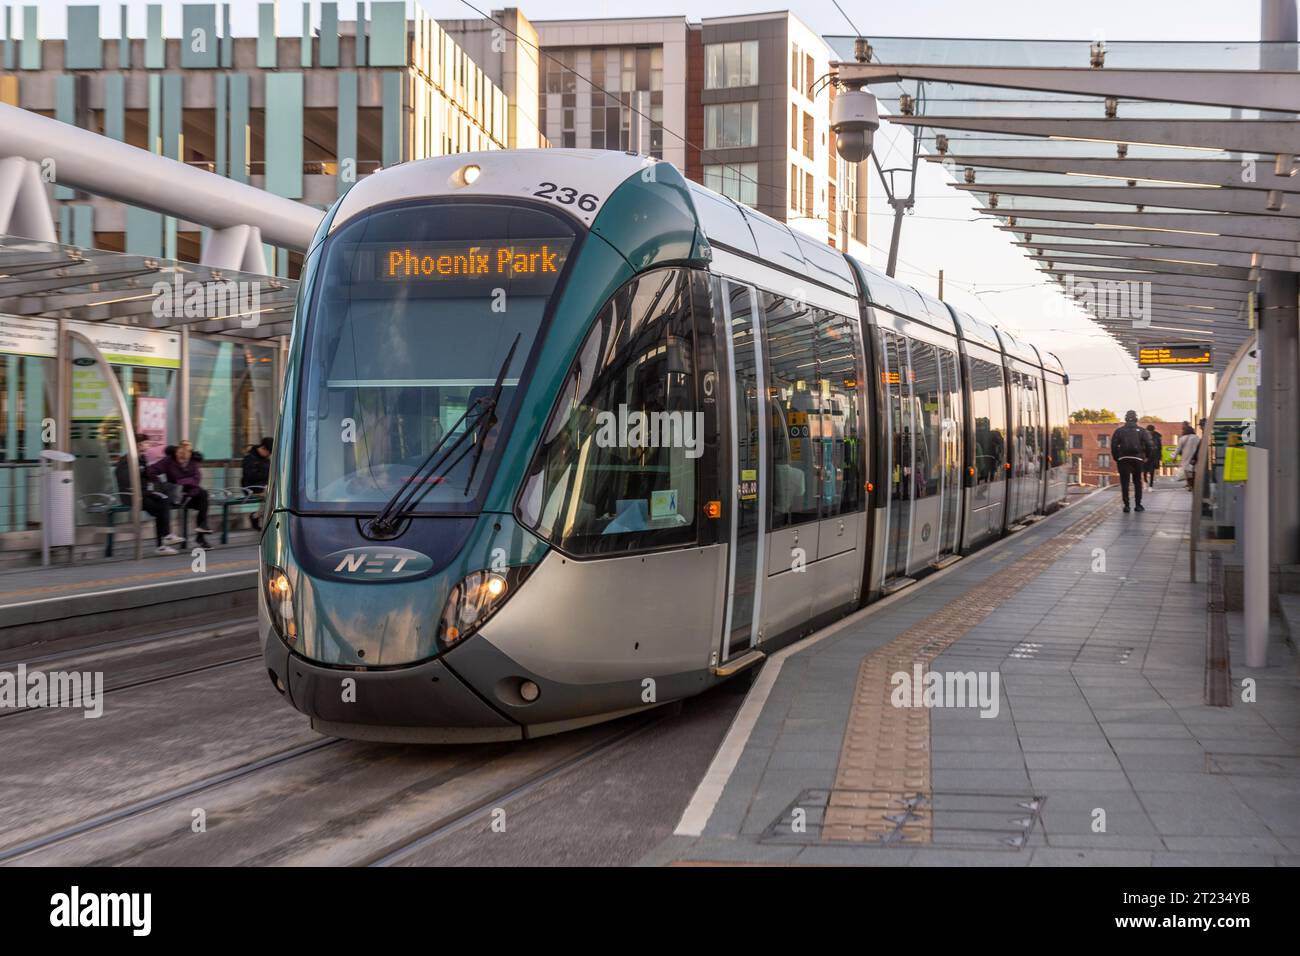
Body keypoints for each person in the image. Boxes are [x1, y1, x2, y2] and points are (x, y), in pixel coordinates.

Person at [114, 434, 184, 555]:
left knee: (163, 500)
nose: (148, 446)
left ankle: (163, 542)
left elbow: (148, 476)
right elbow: (125, 479)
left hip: (143, 494)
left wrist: (156, 480)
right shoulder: (127, 460)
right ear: (138, 444)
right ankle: (164, 540)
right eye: (146, 443)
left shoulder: (142, 459)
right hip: (131, 496)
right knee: (161, 508)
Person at [147, 440, 213, 537]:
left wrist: (181, 482)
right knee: (163, 504)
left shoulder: (193, 462)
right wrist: (161, 481)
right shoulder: (168, 461)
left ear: (190, 454)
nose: (183, 458)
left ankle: (202, 528)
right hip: (174, 495)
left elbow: (196, 479)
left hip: (189, 495)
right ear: (177, 451)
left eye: (186, 455)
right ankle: (166, 539)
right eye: (180, 454)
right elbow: (151, 470)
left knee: (203, 494)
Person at [1111, 410, 1156, 513]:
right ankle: (1138, 505)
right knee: (1137, 482)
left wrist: (1116, 457)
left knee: (1125, 482)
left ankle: (1126, 506)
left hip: (1123, 459)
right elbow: (1150, 445)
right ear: (1136, 419)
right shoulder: (1142, 431)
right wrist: (1147, 457)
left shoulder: (1119, 431)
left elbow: (1113, 445)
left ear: (1125, 419)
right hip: (1138, 459)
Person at [241, 436, 273, 531]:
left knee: (274, 493)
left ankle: (256, 515)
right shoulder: (249, 458)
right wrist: (266, 474)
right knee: (270, 493)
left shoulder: (266, 460)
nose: (269, 455)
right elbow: (250, 476)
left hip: (264, 487)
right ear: (263, 448)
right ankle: (256, 516)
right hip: (251, 488)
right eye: (269, 452)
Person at [1175, 422, 1200, 491]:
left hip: (1186, 458)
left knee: (1188, 472)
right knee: (1194, 472)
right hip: (1196, 457)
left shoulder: (1183, 438)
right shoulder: (1197, 438)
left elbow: (1178, 449)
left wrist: (1173, 457)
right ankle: (1193, 485)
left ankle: (1190, 485)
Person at [1144, 423, 1163, 489]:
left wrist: (1160, 456)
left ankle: (1151, 486)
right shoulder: (1143, 436)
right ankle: (1145, 481)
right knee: (1145, 470)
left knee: (1152, 471)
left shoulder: (1157, 436)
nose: (1149, 433)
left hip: (1154, 456)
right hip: (1146, 455)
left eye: (1150, 432)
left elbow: (1160, 447)